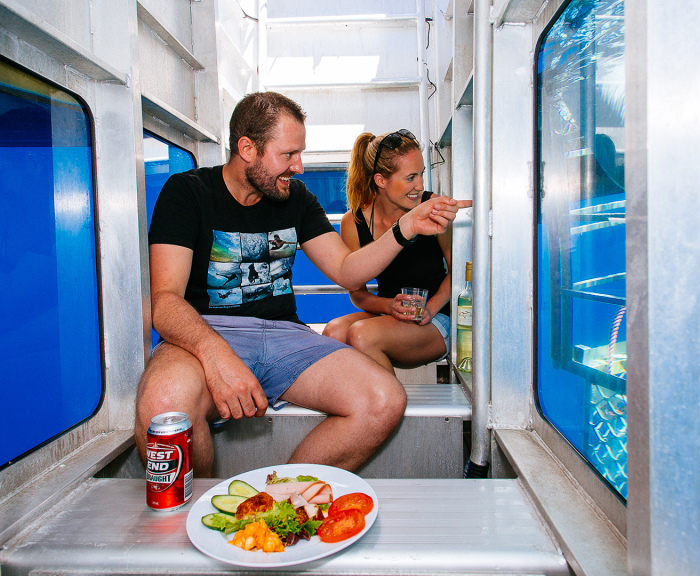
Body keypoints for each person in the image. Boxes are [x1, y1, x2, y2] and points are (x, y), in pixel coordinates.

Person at [134, 92, 471, 476]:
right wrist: (216, 355)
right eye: (289, 154)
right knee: (162, 404)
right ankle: (203, 511)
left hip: (285, 336)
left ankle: (280, 499)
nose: (299, 167)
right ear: (247, 149)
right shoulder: (187, 192)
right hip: (206, 333)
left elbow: (347, 271)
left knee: (383, 400)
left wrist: (404, 228)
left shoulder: (296, 198)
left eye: (300, 154)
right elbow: (165, 301)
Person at [323, 130, 454, 374]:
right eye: (411, 177)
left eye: (421, 174)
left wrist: (430, 308)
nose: (420, 185)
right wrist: (389, 306)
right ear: (381, 180)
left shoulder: (432, 205)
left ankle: (389, 398)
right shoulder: (354, 222)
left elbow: (458, 271)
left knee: (362, 334)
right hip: (390, 316)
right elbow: (358, 294)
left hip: (436, 318)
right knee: (333, 333)